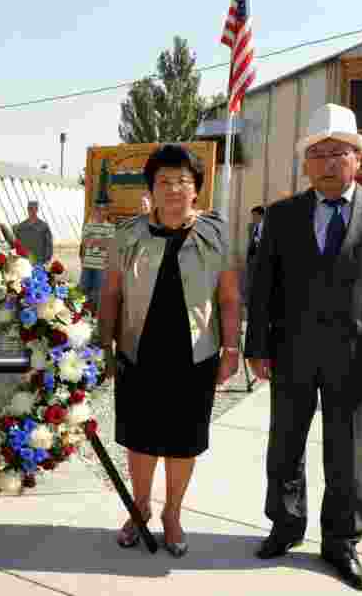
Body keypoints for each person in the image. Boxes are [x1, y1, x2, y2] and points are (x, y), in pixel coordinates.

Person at [244, 104, 362, 591]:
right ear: (306, 164)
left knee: (347, 451)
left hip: (354, 357)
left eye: (337, 152)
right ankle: (285, 525)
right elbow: (264, 289)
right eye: (317, 154)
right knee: (285, 445)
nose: (326, 162)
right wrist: (257, 346)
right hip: (291, 352)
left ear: (358, 158)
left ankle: (341, 541)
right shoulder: (281, 216)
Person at [99, 144, 240, 558]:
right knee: (140, 439)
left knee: (184, 441)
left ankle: (173, 513)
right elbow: (110, 294)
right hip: (138, 351)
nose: (174, 189)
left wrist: (231, 349)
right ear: (151, 189)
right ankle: (139, 507)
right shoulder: (127, 235)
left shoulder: (216, 235)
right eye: (164, 181)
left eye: (183, 181)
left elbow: (229, 298)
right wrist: (104, 344)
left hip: (194, 356)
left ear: (196, 188)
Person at [78, 205, 115, 311]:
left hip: (101, 266)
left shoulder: (111, 227)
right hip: (87, 264)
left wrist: (93, 241)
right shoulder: (88, 226)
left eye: (103, 210)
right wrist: (101, 241)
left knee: (98, 293)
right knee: (83, 291)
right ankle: (81, 313)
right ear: (95, 211)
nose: (100, 212)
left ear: (106, 212)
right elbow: (85, 242)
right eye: (98, 210)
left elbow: (109, 244)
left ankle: (95, 316)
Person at [13, 200, 54, 264]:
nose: (32, 211)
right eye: (30, 209)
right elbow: (17, 244)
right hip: (24, 261)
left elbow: (49, 244)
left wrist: (47, 259)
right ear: (27, 210)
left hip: (40, 260)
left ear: (37, 210)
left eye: (35, 209)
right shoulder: (21, 226)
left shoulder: (43, 226)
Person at [243, 206, 265, 306]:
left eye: (255, 215)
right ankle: (249, 300)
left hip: (260, 258)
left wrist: (259, 241)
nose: (253, 218)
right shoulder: (251, 226)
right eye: (252, 216)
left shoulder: (267, 227)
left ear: (261, 216)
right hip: (251, 257)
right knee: (249, 279)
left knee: (258, 281)